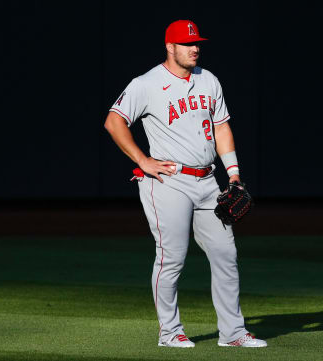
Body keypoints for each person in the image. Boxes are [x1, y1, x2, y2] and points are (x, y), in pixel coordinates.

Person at [103, 20, 267, 348]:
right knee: (172, 257)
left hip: (208, 180)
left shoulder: (209, 80)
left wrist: (233, 173)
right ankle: (169, 332)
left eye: (197, 43)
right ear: (170, 46)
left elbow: (221, 128)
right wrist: (142, 160)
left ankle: (233, 333)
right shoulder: (147, 83)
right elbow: (114, 121)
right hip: (168, 181)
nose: (195, 48)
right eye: (187, 43)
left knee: (225, 254)